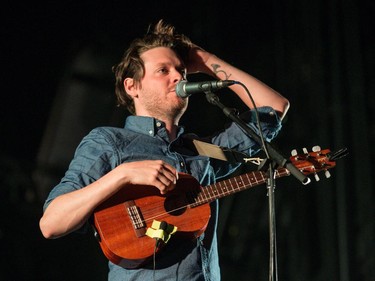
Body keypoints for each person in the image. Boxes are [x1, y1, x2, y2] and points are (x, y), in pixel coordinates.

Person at [40, 19, 289, 281]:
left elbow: (274, 107)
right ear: (132, 86)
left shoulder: (202, 151)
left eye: (181, 70)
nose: (178, 77)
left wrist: (206, 61)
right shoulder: (109, 142)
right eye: (163, 70)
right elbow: (51, 223)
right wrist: (123, 174)